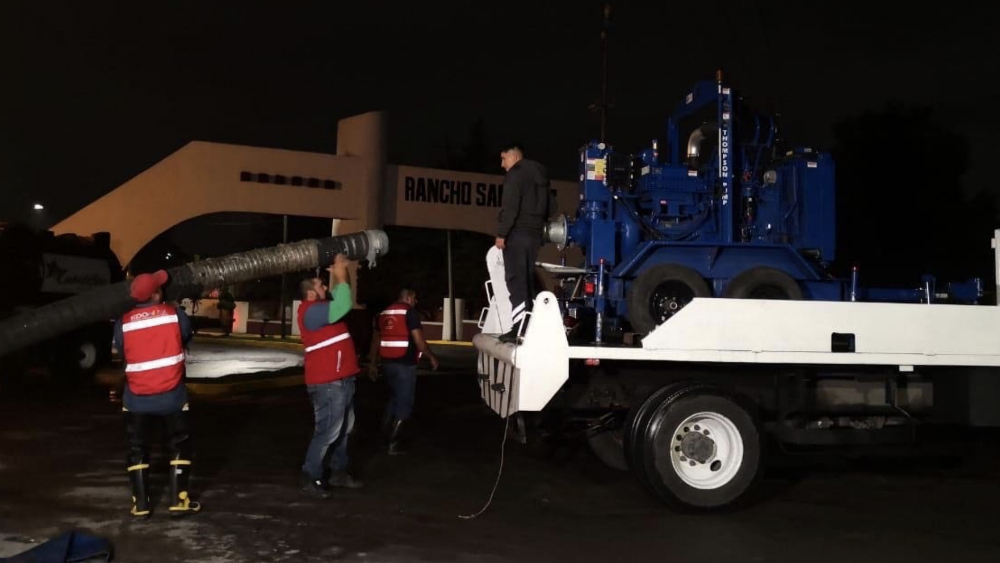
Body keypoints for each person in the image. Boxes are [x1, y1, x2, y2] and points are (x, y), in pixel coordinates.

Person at [113, 269, 199, 519]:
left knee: (137, 448)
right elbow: (185, 336)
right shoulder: (174, 315)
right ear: (155, 293)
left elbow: (122, 349)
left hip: (136, 399)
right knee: (180, 445)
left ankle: (140, 504)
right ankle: (178, 501)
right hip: (172, 396)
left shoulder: (124, 321)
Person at [296, 254, 364, 498]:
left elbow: (343, 299)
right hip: (328, 384)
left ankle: (338, 472)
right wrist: (341, 272)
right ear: (311, 294)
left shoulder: (321, 310)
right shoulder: (310, 311)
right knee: (327, 431)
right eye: (321, 285)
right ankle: (310, 475)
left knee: (344, 429)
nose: (326, 287)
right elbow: (344, 303)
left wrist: (339, 276)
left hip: (341, 380)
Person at [495, 142, 556, 343]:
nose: (503, 164)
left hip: (517, 234)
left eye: (504, 158)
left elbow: (511, 206)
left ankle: (519, 328)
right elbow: (551, 206)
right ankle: (529, 324)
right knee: (527, 281)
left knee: (516, 280)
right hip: (534, 234)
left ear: (514, 156)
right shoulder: (541, 176)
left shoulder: (516, 174)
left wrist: (502, 233)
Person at [368, 289, 439, 455]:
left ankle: (382, 439)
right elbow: (419, 342)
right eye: (414, 298)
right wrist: (431, 357)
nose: (416, 301)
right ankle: (393, 443)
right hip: (404, 364)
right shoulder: (409, 313)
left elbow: (375, 340)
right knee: (404, 403)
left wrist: (372, 364)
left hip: (387, 364)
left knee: (393, 400)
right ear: (407, 298)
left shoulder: (383, 313)